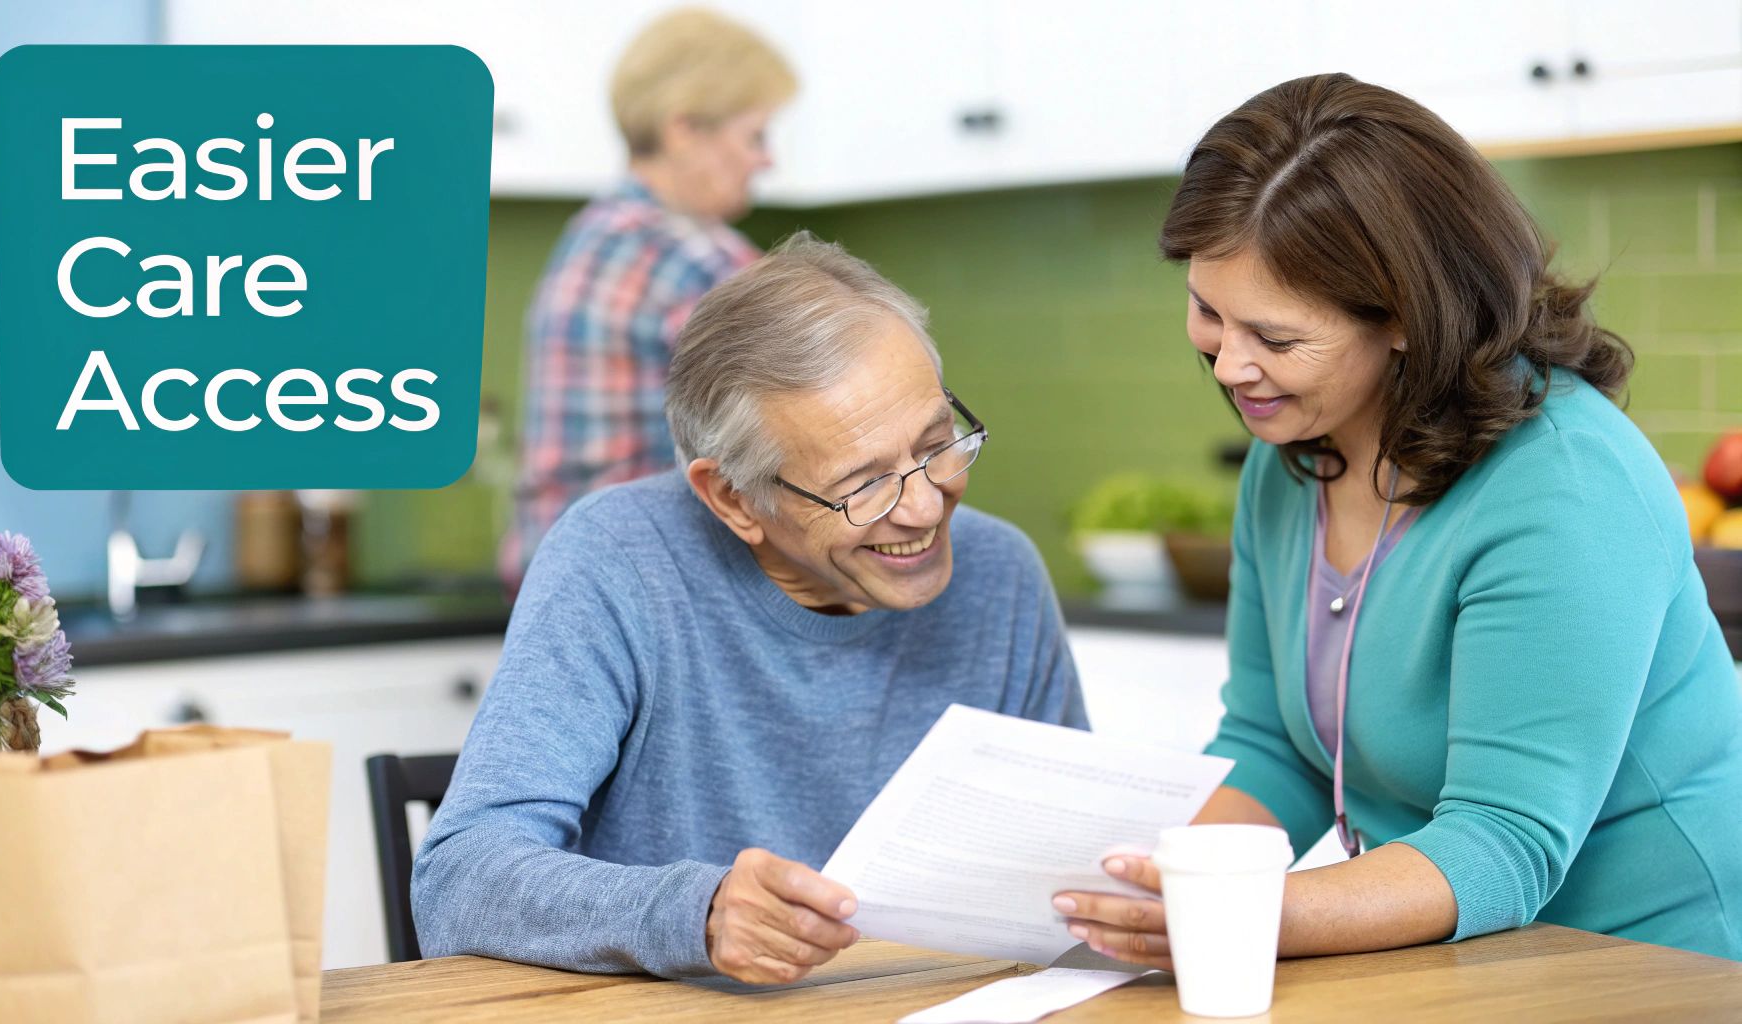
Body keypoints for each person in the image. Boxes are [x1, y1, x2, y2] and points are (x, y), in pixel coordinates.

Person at [1056, 73, 1742, 963]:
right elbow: (1276, 747)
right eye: (1207, 312)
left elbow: (1504, 845)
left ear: (1410, 319)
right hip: (1467, 957)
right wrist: (1134, 885)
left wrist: (1245, 912)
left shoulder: (1562, 486)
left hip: (1652, 964)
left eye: (1274, 337)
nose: (1230, 367)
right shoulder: (1294, 459)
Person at [417, 234, 1088, 983]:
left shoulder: (1001, 574)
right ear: (734, 499)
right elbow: (458, 882)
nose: (928, 505)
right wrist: (697, 914)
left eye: (937, 443)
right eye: (865, 486)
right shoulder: (618, 561)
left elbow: (1061, 868)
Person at [500, 8, 797, 588]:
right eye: (755, 135)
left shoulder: (590, 235)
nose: (768, 159)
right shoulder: (701, 262)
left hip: (560, 582)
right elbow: (799, 449)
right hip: (651, 587)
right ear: (684, 128)